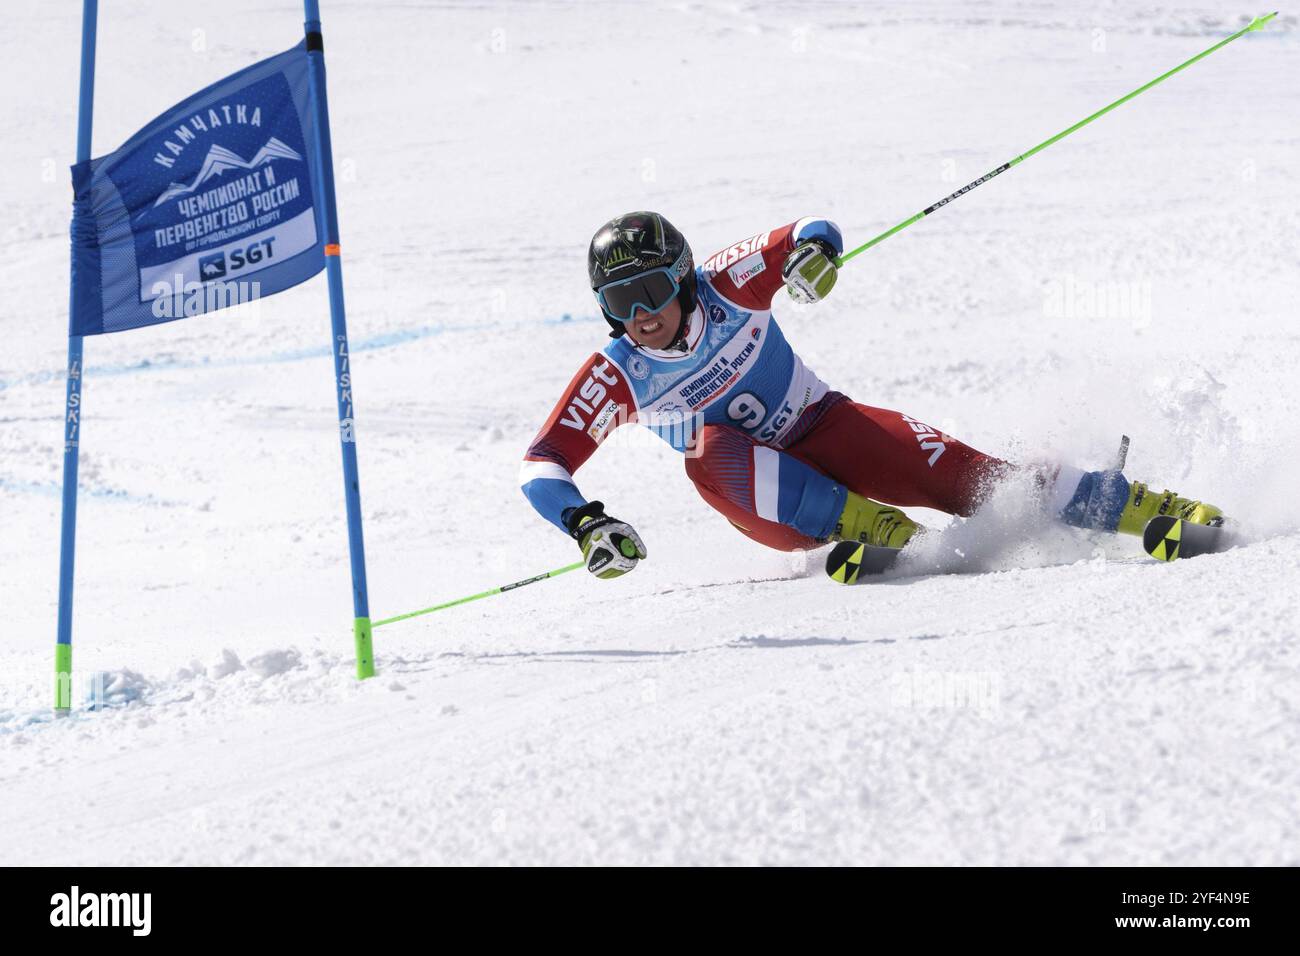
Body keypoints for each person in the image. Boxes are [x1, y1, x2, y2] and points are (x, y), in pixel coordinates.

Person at [519, 211, 1222, 579]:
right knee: (706, 451)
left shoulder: (724, 285)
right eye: (618, 301)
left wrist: (812, 259)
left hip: (827, 427)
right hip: (765, 501)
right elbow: (543, 461)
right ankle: (877, 531)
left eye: (648, 290)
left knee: (977, 481)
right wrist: (586, 524)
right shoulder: (617, 374)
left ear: (678, 278)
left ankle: (1136, 508)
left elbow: (810, 229)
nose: (639, 314)